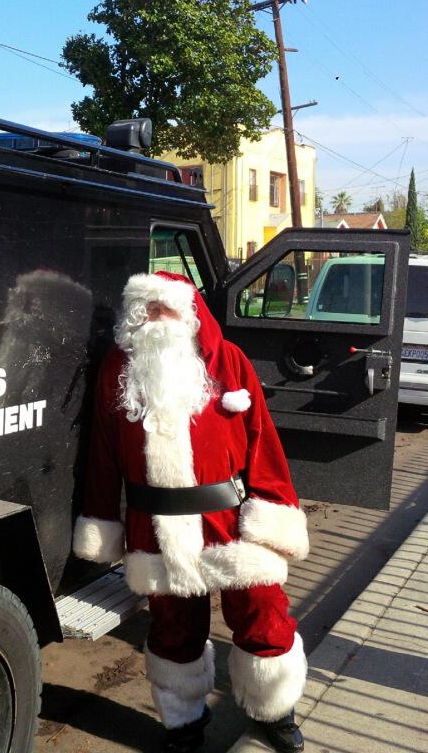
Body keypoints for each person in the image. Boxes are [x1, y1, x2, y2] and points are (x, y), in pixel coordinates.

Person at [73, 271, 309, 753]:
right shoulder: (118, 368)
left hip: (233, 521)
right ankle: (183, 724)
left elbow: (264, 444)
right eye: (147, 310)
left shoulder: (230, 362)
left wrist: (275, 513)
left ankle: (275, 708)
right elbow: (101, 453)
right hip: (157, 529)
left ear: (190, 313)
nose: (156, 318)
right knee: (174, 628)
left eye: (166, 308)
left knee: (263, 612)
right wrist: (102, 521)